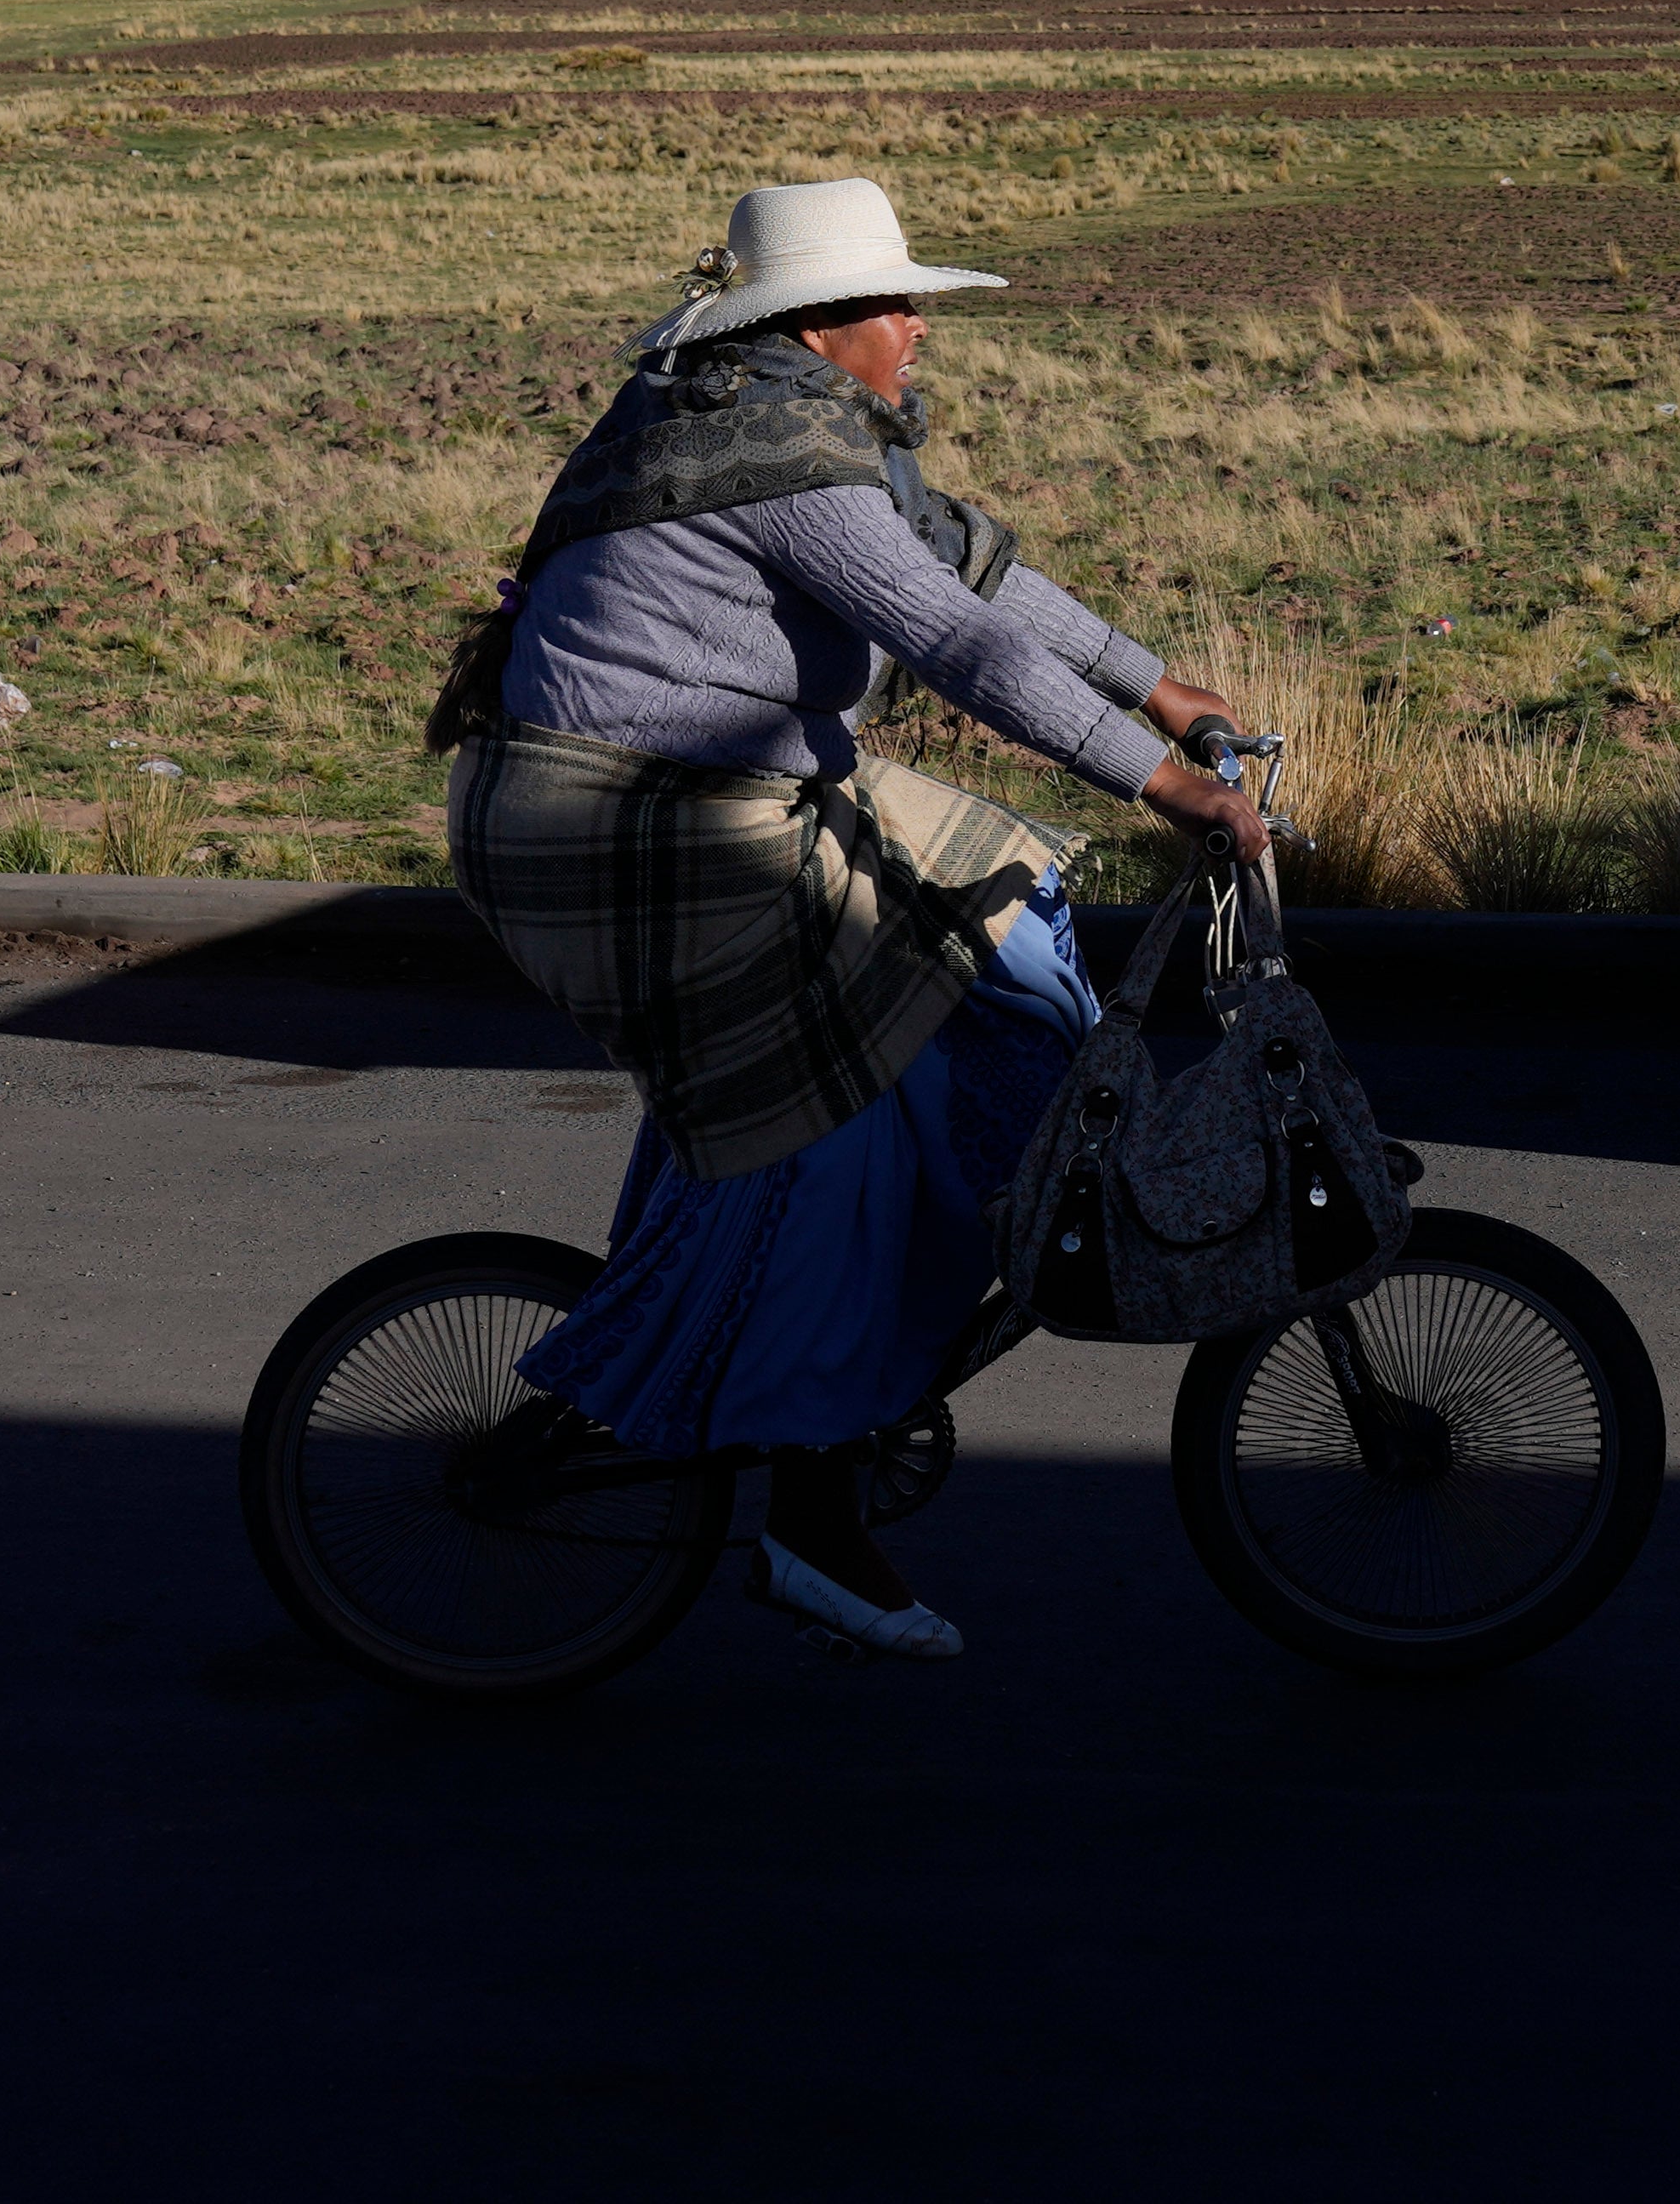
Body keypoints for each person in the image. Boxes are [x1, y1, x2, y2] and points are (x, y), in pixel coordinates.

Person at [436, 176, 1261, 1661]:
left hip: (723, 791)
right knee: (833, 1116)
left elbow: (972, 564)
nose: (916, 331)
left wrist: (1158, 686)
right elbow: (951, 640)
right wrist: (1164, 784)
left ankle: (979, 1231)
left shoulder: (782, 420)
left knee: (1003, 927)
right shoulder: (775, 459)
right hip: (619, 828)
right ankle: (809, 1503)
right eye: (895, 308)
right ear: (813, 329)